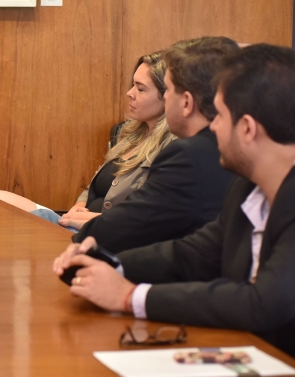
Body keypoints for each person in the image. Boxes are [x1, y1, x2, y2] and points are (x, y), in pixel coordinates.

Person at [53, 44, 295, 357]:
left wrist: (130, 297)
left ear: (247, 128)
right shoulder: (247, 188)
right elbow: (191, 254)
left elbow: (264, 302)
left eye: (219, 115)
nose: (213, 126)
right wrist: (107, 265)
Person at [66, 37, 239, 253]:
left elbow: (137, 225)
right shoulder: (217, 146)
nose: (130, 93)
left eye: (167, 91)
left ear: (186, 102)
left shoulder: (188, 154)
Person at [0, 51, 174, 229]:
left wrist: (93, 219)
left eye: (140, 89)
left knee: (7, 222)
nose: (130, 93)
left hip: (105, 234)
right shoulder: (129, 133)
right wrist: (79, 204)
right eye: (132, 85)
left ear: (168, 97)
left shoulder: (174, 149)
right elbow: (95, 186)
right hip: (76, 224)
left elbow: (151, 220)